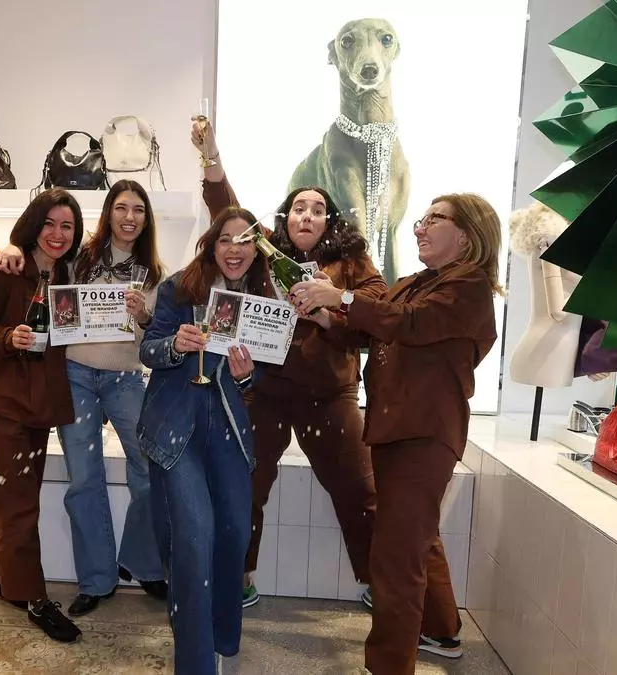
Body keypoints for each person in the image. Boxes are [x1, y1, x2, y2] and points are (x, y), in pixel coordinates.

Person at [289, 194, 502, 675]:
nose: (419, 227)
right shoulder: (415, 283)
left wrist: (340, 297)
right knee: (415, 538)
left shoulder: (468, 285)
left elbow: (410, 323)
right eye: (421, 219)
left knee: (394, 556)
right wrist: (324, 315)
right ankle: (441, 630)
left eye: (434, 219)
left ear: (467, 235)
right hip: (396, 428)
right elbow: (371, 330)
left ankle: (387, 666)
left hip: (424, 432)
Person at [191, 119, 385, 608]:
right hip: (265, 390)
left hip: (331, 396)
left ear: (329, 222)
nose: (307, 216)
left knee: (358, 489)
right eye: (299, 207)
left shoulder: (351, 261)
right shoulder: (264, 252)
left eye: (318, 210)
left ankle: (380, 582)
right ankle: (239, 575)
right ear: (286, 216)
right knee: (246, 483)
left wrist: (330, 309)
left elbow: (379, 311)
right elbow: (226, 209)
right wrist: (210, 153)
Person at [0, 180, 169, 616]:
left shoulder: (154, 273)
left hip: (126, 379)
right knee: (85, 480)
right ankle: (96, 579)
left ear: (147, 219)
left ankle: (142, 563)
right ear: (108, 213)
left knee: (150, 470)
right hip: (76, 377)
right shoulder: (78, 258)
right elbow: (37, 254)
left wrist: (144, 316)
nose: (129, 217)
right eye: (121, 208)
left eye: (138, 210)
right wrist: (9, 247)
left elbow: (154, 341)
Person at [138, 206, 271, 673]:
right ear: (212, 245)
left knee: (234, 534)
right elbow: (148, 350)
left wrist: (248, 376)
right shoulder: (180, 287)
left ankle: (221, 639)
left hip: (230, 431)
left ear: (258, 250)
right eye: (226, 239)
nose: (235, 249)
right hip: (177, 428)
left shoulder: (264, 300)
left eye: (245, 241)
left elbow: (263, 376)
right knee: (193, 538)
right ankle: (195, 661)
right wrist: (175, 345)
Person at [0, 188, 85, 643]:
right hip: (2, 401)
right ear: (33, 225)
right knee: (18, 504)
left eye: (67, 226)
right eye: (49, 223)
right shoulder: (8, 268)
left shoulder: (69, 273)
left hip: (39, 403)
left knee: (20, 495)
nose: (57, 234)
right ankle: (33, 596)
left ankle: (2, 576)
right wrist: (8, 337)